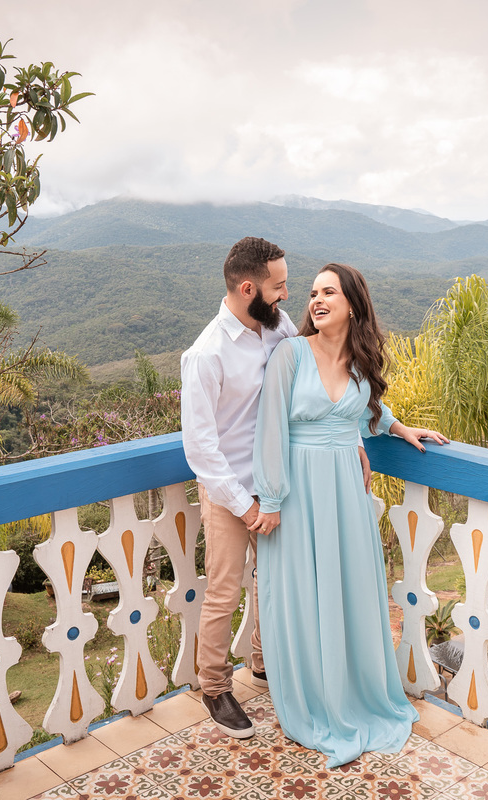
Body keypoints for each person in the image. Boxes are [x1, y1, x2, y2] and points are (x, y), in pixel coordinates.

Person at [251, 262, 447, 767]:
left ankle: (358, 693)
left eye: (328, 292)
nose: (316, 300)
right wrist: (270, 500)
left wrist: (401, 429)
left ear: (353, 305)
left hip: (346, 494)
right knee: (302, 595)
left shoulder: (360, 363)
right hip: (297, 492)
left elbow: (364, 412)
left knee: (350, 591)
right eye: (312, 293)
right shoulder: (289, 355)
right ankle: (317, 701)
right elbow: (269, 429)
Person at [179, 236, 296, 739]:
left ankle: (266, 665)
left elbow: (316, 371)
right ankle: (215, 687)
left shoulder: (276, 328)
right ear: (249, 288)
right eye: (279, 286)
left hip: (272, 486)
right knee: (224, 592)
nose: (287, 295)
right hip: (228, 493)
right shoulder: (205, 355)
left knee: (271, 582)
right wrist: (245, 506)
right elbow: (201, 450)